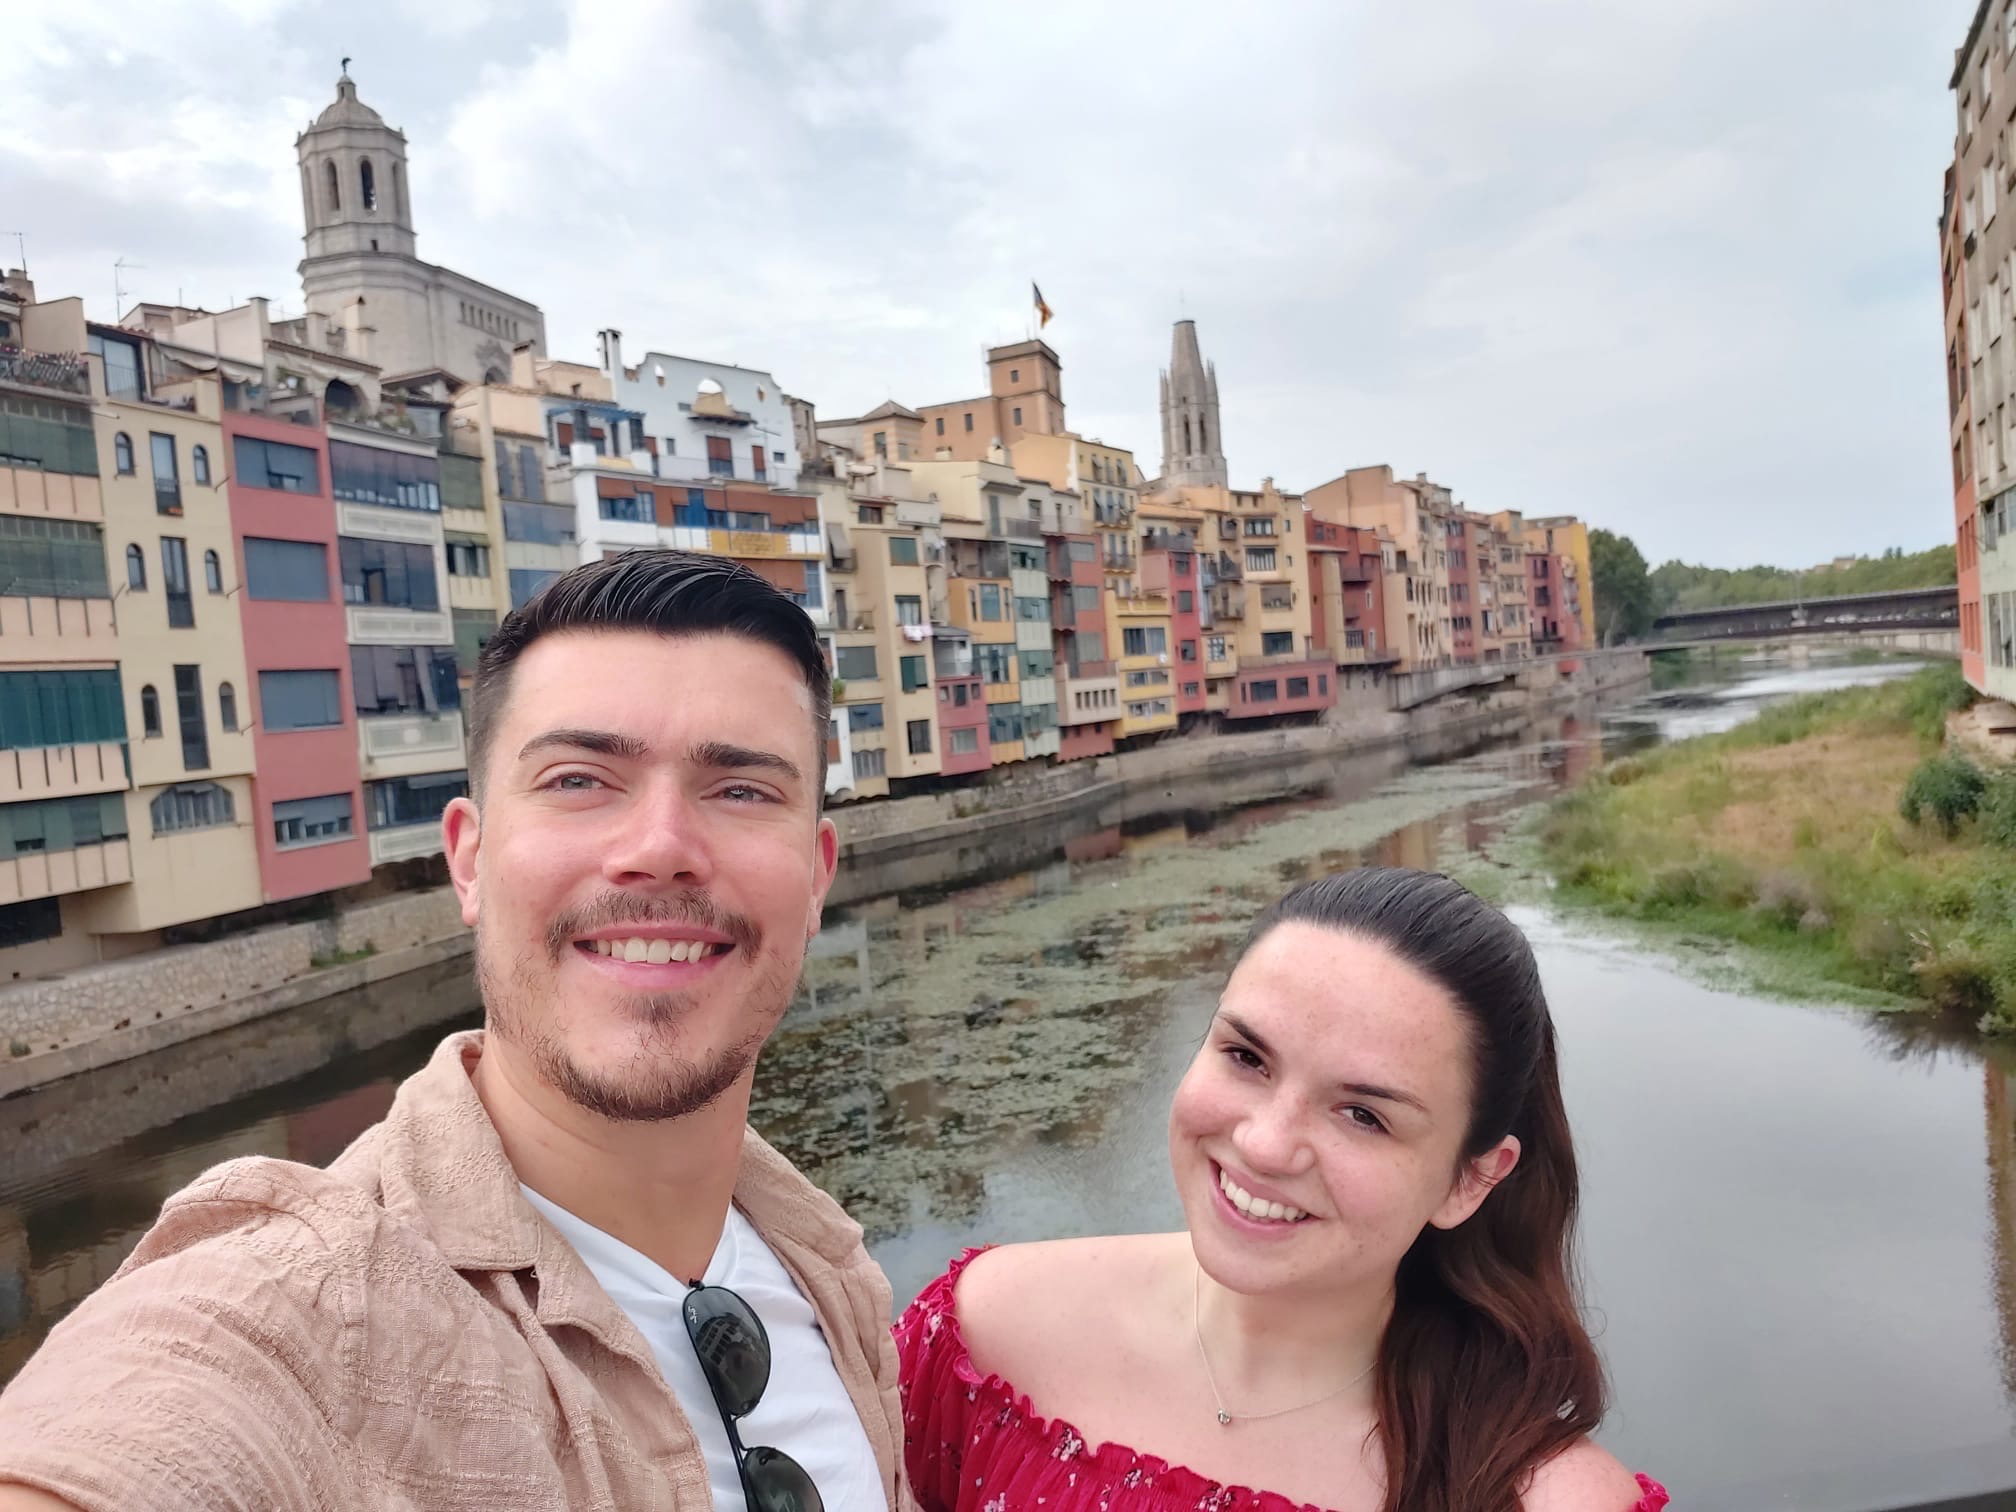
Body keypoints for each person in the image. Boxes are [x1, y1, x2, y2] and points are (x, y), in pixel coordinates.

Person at [0, 551, 906, 1512]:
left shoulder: (824, 1271)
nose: (659, 849)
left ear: (817, 875)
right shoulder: (316, 1316)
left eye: (742, 791)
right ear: (468, 861)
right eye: (579, 779)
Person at [896, 867, 1667, 1512]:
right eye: (1246, 1057)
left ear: (1471, 1181)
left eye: (1363, 1115)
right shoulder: (984, 1340)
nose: (1265, 1144)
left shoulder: (1544, 1499)